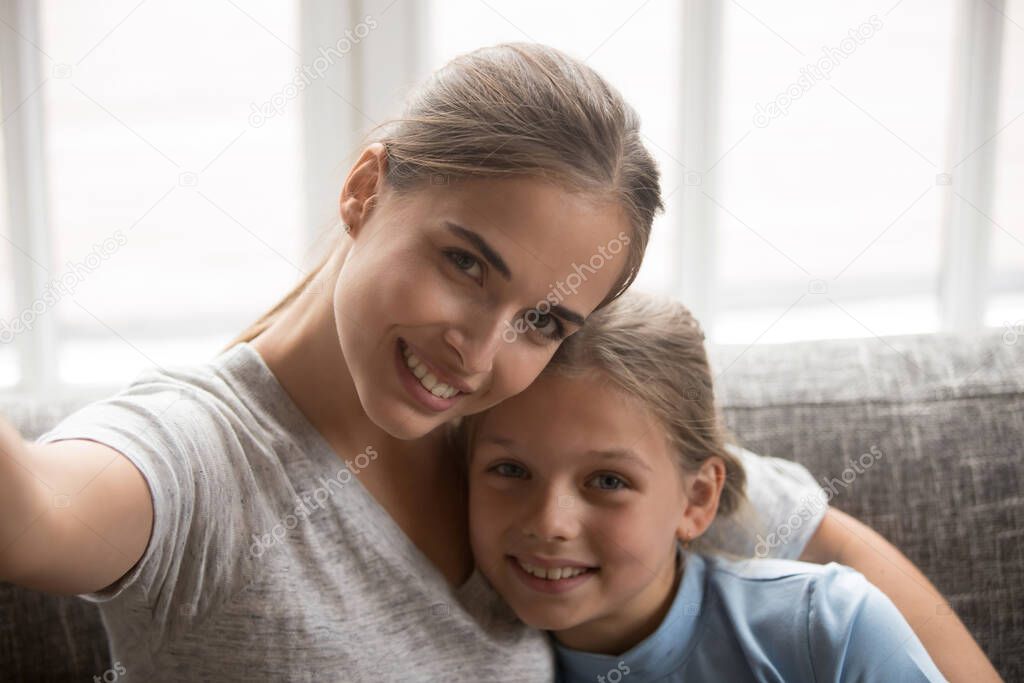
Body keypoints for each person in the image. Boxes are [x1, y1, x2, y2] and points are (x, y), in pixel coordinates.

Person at [0, 43, 995, 681]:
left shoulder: (519, 419)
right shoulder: (202, 458)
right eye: (464, 262)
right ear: (364, 188)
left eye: (543, 318)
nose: (475, 350)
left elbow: (821, 540)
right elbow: (35, 513)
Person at [462, 291, 945, 681]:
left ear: (697, 499)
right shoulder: (455, 659)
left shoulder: (830, 629)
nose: (550, 522)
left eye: (608, 480)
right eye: (510, 470)